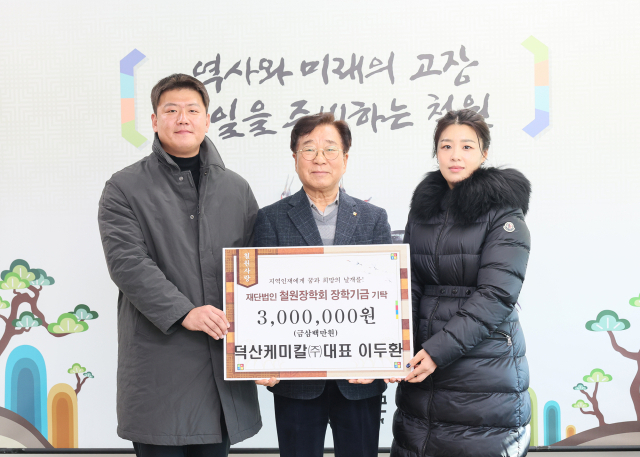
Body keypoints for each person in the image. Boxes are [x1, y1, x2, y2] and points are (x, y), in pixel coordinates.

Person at [98, 74, 261, 457]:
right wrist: (184, 311)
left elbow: (255, 267)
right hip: (160, 367)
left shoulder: (236, 188)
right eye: (171, 110)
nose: (182, 118)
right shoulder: (124, 187)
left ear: (207, 119)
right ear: (155, 121)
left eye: (192, 110)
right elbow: (127, 263)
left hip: (221, 368)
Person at [390, 109, 532, 457]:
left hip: (484, 368)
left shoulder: (504, 214)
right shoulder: (422, 211)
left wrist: (437, 351)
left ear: (484, 154)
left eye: (467, 147)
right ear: (436, 152)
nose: (455, 155)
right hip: (423, 364)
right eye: (446, 146)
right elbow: (409, 282)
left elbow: (496, 295)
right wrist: (399, 346)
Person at [253, 113, 391, 457]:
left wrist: (383, 360)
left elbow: (386, 295)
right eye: (309, 149)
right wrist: (260, 358)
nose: (319, 159)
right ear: (295, 157)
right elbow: (259, 298)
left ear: (345, 158)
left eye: (330, 149)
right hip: (295, 380)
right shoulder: (270, 218)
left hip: (359, 377)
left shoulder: (374, 219)